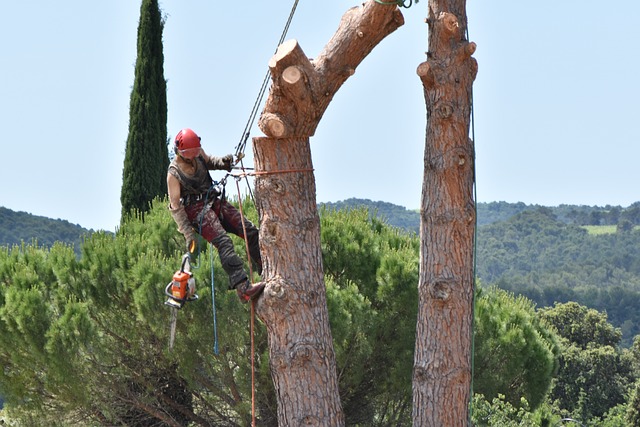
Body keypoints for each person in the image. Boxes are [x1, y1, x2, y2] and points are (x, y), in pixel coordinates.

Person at [167, 128, 264, 303]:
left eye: (197, 151)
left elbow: (210, 161)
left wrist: (224, 162)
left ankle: (264, 268)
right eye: (192, 153)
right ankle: (243, 288)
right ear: (181, 152)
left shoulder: (197, 153)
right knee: (224, 242)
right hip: (196, 211)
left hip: (213, 201)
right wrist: (189, 234)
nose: (196, 155)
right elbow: (175, 207)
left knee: (248, 230)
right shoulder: (173, 174)